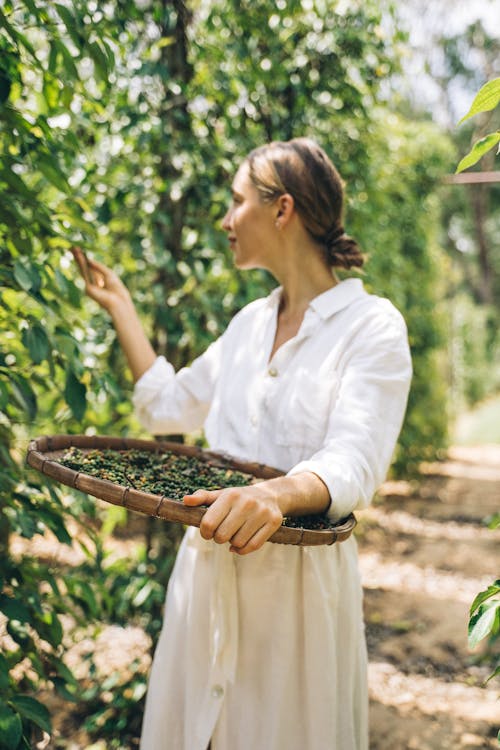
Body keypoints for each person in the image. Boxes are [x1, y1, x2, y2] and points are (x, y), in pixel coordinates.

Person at [73, 137, 412, 750]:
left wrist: (275, 494)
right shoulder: (248, 325)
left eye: (236, 201)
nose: (226, 220)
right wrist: (120, 307)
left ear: (281, 210)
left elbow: (354, 458)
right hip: (202, 585)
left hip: (297, 601)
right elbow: (167, 406)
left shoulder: (372, 327)